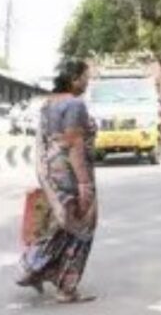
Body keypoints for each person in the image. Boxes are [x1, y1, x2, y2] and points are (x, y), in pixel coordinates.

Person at [18, 60, 98, 303]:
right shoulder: (74, 104)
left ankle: (36, 267)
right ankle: (63, 285)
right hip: (71, 173)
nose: (87, 82)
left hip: (52, 172)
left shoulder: (48, 104)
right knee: (83, 227)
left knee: (62, 224)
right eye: (85, 77)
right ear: (74, 79)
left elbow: (45, 143)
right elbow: (74, 145)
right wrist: (84, 184)